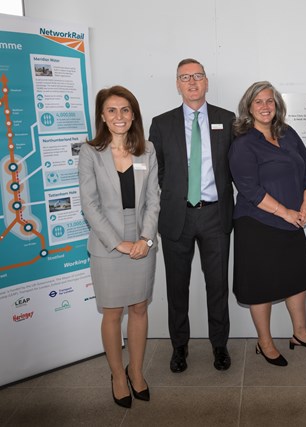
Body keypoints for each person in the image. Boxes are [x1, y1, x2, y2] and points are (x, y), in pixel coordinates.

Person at [229, 81, 306, 367]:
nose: (264, 106)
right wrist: (285, 211)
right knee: (261, 285)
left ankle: (300, 333)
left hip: (293, 220)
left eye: (269, 101)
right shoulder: (243, 143)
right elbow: (249, 188)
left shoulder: (287, 133)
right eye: (258, 101)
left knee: (296, 278)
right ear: (249, 107)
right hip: (257, 223)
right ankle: (265, 343)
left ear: (277, 105)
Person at [149, 58, 235, 373]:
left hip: (215, 215)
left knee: (217, 286)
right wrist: (174, 194)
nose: (192, 82)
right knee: (177, 287)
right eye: (185, 77)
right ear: (177, 84)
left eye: (197, 76)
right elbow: (156, 171)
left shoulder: (227, 119)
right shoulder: (161, 123)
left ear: (206, 81)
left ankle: (220, 346)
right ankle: (179, 347)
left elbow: (236, 166)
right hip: (177, 217)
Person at [79, 85, 160, 408]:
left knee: (139, 308)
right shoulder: (90, 152)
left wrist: (146, 239)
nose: (119, 116)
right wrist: (120, 244)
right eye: (111, 110)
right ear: (102, 115)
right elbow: (90, 205)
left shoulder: (147, 150)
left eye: (125, 110)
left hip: (143, 238)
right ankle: (116, 375)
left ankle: (136, 372)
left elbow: (154, 199)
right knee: (112, 313)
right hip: (106, 242)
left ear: (134, 114)